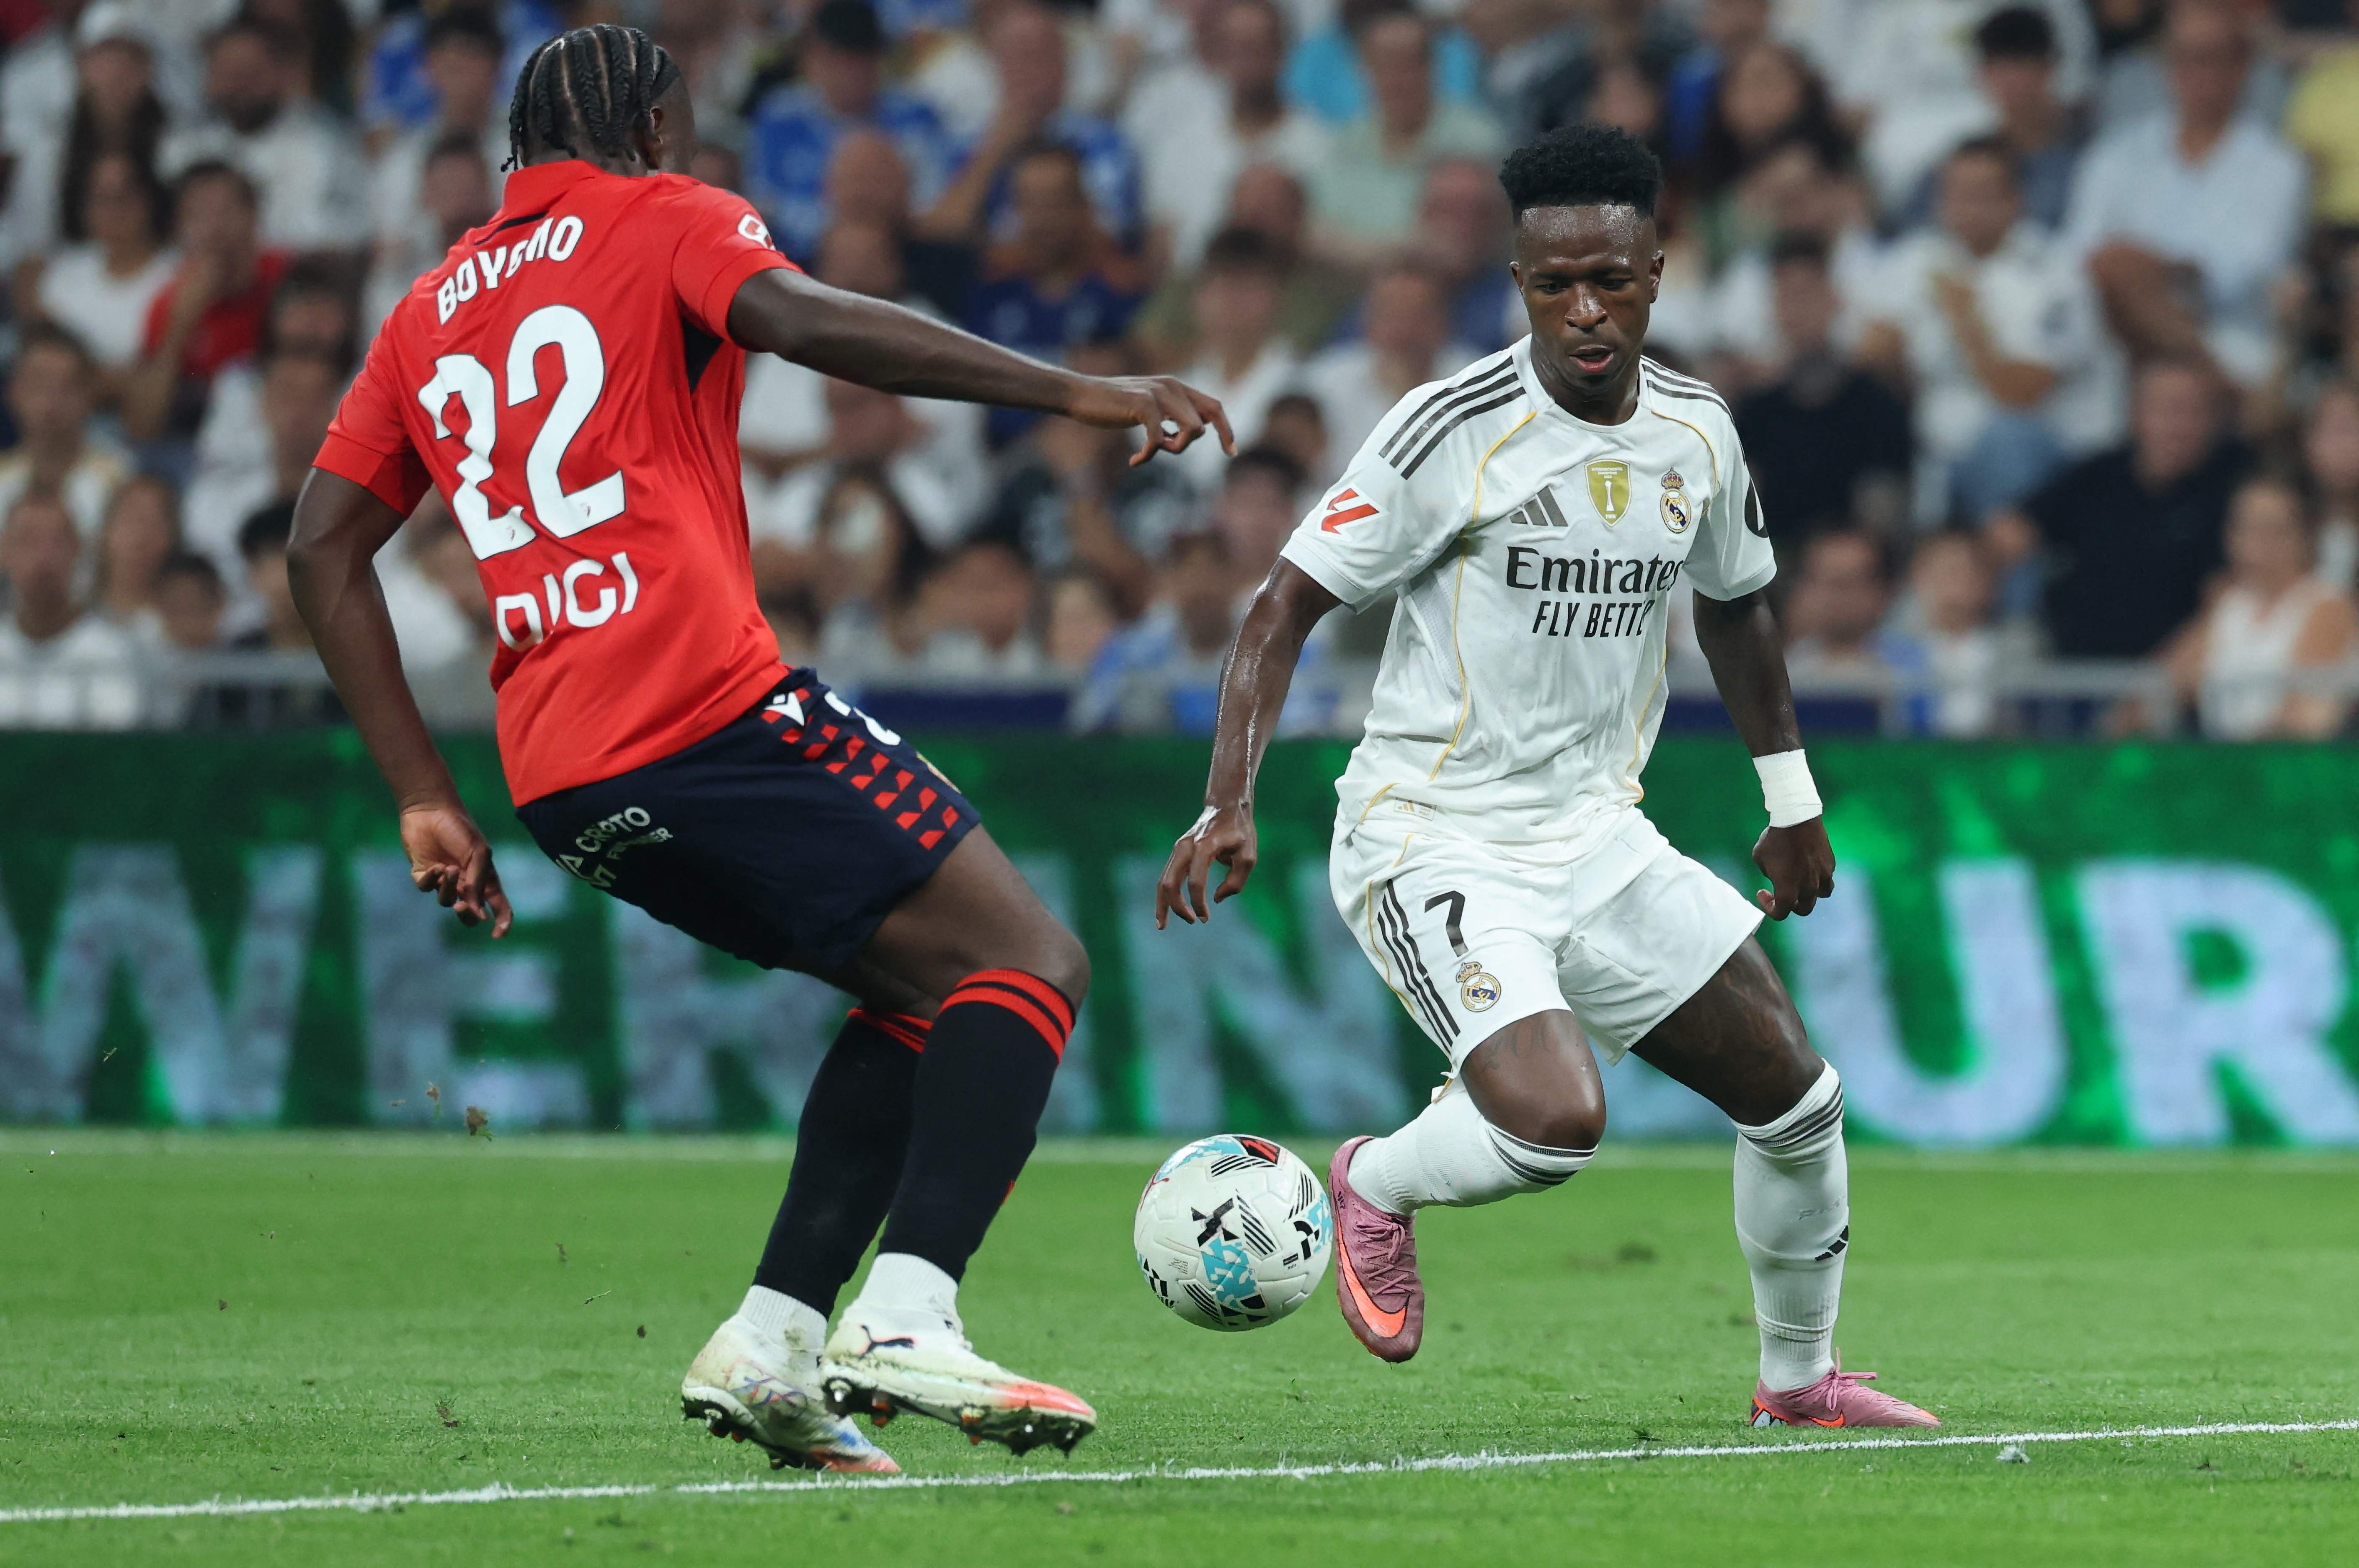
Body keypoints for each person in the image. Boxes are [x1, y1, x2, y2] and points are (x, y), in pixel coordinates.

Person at [289, 23, 1230, 1475]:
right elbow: (800, 316)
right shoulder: (664, 214)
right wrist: (1078, 390)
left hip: (557, 776)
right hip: (704, 712)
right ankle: (908, 1314)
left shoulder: (426, 309)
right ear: (655, 131)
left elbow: (320, 545)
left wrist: (425, 789)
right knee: (1030, 962)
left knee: (923, 999)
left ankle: (778, 1340)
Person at [1153, 122, 1937, 1429]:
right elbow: (1280, 606)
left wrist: (1788, 803)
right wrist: (1227, 798)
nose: (1583, 309)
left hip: (1594, 833)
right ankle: (1376, 1181)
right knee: (1550, 1128)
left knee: (1797, 1102)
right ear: (1518, 282)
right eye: (1551, 283)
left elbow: (1737, 607)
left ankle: (1796, 1387)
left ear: (1655, 274)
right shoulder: (1447, 430)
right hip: (1431, 832)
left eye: (1609, 281)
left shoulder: (1695, 432)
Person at [2063, 0, 2306, 387]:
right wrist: (2139, 272)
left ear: (2242, 67)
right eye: (2183, 58)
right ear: (2165, 66)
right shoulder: (2116, 156)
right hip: (2114, 340)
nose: (2196, 73)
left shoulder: (2277, 166)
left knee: (2121, 271)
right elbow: (2079, 255)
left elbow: (2245, 271)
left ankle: (2192, 380)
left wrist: (2152, 270)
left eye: (2210, 58)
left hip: (2231, 342)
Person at [1989, 356, 2245, 658]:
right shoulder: (2098, 477)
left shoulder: (2236, 489)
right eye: (2166, 410)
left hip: (2173, 687)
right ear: (2134, 414)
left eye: (2193, 412)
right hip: (2073, 676)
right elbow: (2005, 537)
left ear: (2215, 422)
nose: (2178, 426)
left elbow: (2236, 600)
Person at [2162, 475, 2356, 738]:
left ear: (2304, 535)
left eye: (2273, 528)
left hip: (2286, 766)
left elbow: (2305, 715)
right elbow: (2163, 683)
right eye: (2247, 526)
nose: (2259, 542)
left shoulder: (2327, 605)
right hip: (2225, 761)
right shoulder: (2228, 605)